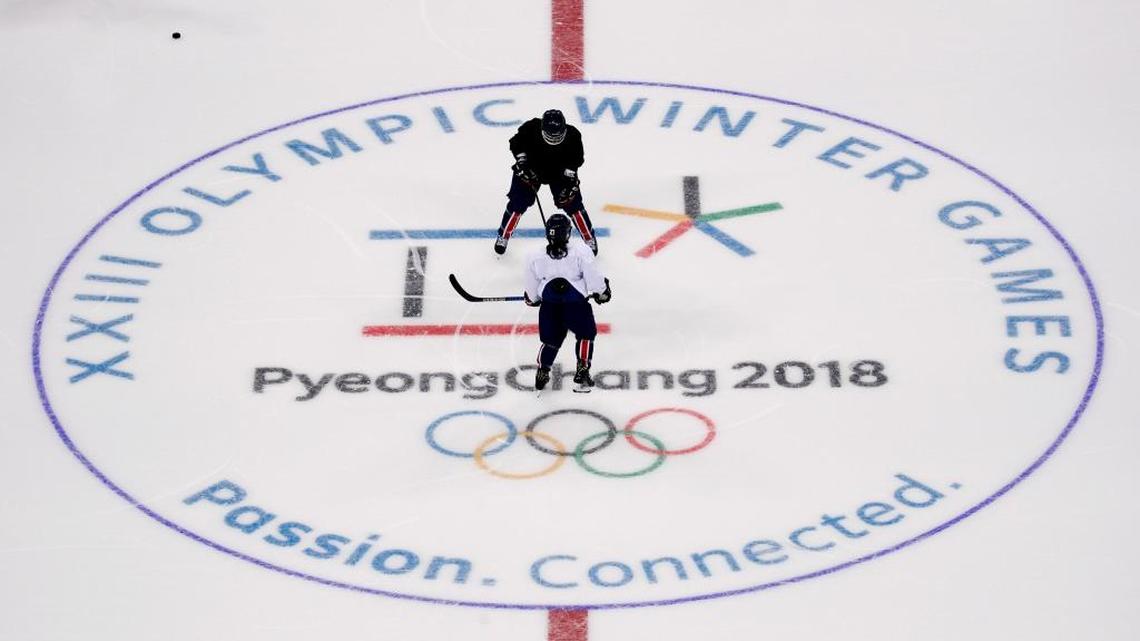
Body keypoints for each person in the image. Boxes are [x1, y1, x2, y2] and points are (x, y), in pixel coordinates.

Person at [524, 214, 611, 393]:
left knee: (551, 340)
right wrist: (602, 292)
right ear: (567, 232)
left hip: (550, 306)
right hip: (576, 305)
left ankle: (542, 370)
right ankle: (583, 368)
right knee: (586, 334)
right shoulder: (581, 251)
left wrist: (532, 298)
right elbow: (593, 278)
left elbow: (531, 286)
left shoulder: (534, 256)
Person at [495, 109, 599, 256]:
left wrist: (570, 181)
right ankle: (503, 235)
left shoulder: (573, 135)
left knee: (573, 204)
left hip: (560, 173)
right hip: (531, 169)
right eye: (550, 135)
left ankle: (589, 239)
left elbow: (576, 160)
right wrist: (522, 161)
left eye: (557, 136)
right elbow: (516, 143)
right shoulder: (531, 128)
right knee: (517, 203)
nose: (554, 139)